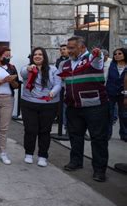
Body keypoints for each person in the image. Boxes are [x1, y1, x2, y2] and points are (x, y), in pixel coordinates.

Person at [59, 36, 109, 182]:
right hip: (73, 106)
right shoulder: (66, 64)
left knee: (98, 138)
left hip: (95, 106)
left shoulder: (92, 59)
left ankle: (99, 170)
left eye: (72, 48)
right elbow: (64, 83)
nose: (68, 50)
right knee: (75, 135)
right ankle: (76, 161)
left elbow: (99, 59)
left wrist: (98, 53)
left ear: (82, 47)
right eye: (68, 48)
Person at [20, 47, 62, 167]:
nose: (37, 56)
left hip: (49, 104)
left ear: (44, 57)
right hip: (29, 103)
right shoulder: (27, 68)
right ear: (32, 57)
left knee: (45, 131)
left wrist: (53, 92)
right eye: (35, 55)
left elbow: (58, 84)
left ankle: (42, 155)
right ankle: (28, 153)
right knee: (30, 130)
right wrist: (29, 69)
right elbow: (22, 73)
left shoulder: (53, 70)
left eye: (40, 54)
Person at [105, 47, 127, 141]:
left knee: (124, 114)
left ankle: (124, 134)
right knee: (109, 114)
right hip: (110, 92)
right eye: (115, 54)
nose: (117, 56)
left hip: (123, 94)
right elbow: (106, 78)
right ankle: (107, 134)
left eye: (119, 53)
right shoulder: (111, 65)